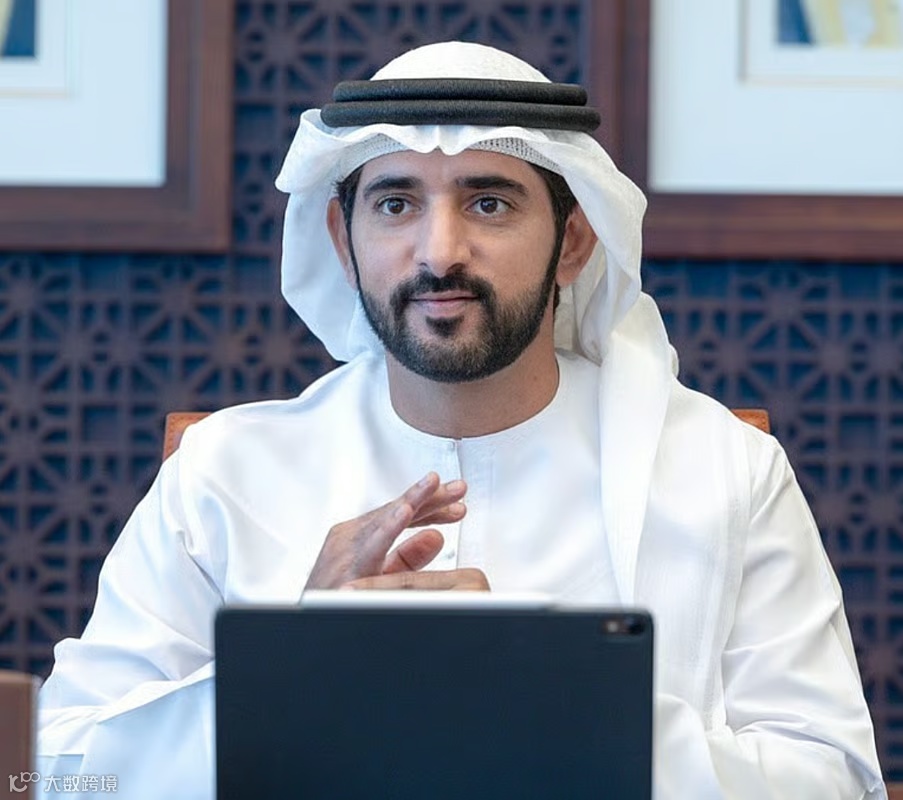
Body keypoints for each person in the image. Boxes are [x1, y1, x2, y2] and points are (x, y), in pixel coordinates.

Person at [36, 40, 885, 799]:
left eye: (488, 204)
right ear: (343, 239)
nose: (439, 252)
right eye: (395, 204)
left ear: (574, 241)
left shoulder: (721, 471)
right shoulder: (224, 472)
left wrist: (556, 697)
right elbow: (56, 770)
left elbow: (833, 780)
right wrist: (291, 666)